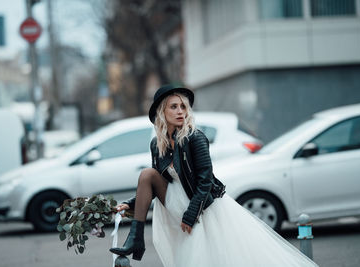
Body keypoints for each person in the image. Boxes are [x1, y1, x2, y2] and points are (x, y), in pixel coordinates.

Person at [110, 84, 319, 266]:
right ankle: (135, 239)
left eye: (183, 106)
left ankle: (138, 240)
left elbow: (205, 181)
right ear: (161, 112)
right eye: (174, 107)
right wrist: (131, 204)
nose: (180, 111)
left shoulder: (195, 137)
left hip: (200, 205)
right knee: (147, 174)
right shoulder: (157, 144)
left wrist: (191, 214)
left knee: (209, 257)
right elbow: (158, 181)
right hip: (174, 201)